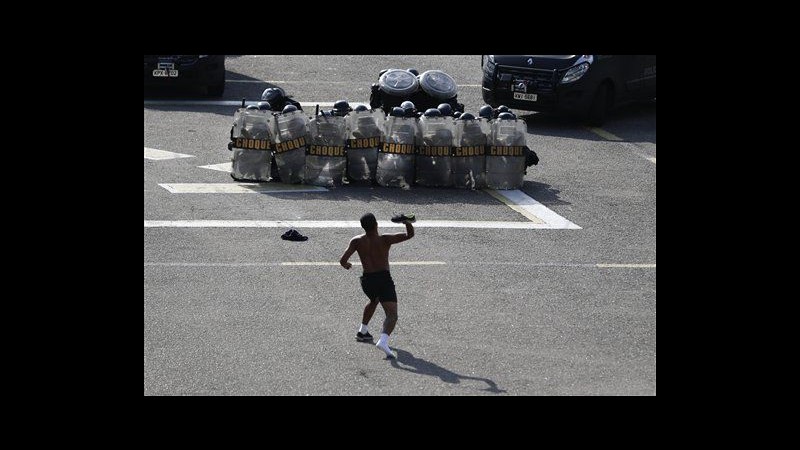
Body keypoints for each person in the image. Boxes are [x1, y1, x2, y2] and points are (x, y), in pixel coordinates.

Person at [339, 213, 415, 358]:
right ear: (376, 224)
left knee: (374, 301)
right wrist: (406, 222)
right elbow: (409, 235)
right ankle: (383, 341)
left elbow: (342, 260)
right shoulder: (385, 239)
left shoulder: (356, 241)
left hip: (367, 280)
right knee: (392, 315)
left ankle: (362, 332)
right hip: (383, 280)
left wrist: (347, 265)